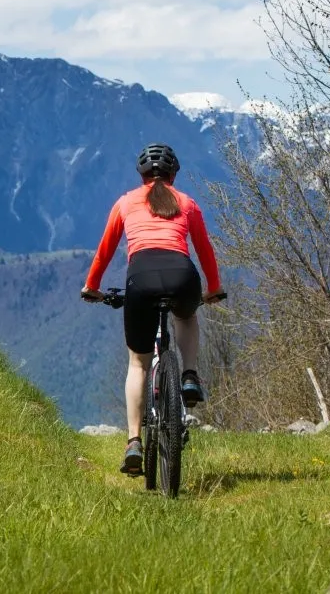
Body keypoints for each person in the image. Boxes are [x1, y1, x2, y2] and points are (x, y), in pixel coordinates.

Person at [80, 143, 224, 477]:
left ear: (141, 174)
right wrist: (213, 288)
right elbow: (205, 250)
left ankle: (133, 442)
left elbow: (104, 251)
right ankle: (189, 375)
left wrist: (92, 287)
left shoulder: (125, 202)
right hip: (182, 276)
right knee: (186, 316)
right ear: (173, 175)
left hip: (140, 279)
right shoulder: (187, 203)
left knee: (138, 363)